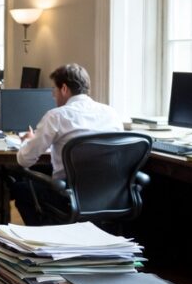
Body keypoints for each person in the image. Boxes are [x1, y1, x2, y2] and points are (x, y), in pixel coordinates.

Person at [10, 63, 123, 224]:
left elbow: (24, 160)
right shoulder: (111, 113)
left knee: (20, 189)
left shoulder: (56, 116)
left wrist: (28, 141)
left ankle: (45, 244)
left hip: (68, 196)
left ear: (64, 89)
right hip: (108, 195)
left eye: (54, 90)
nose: (53, 95)